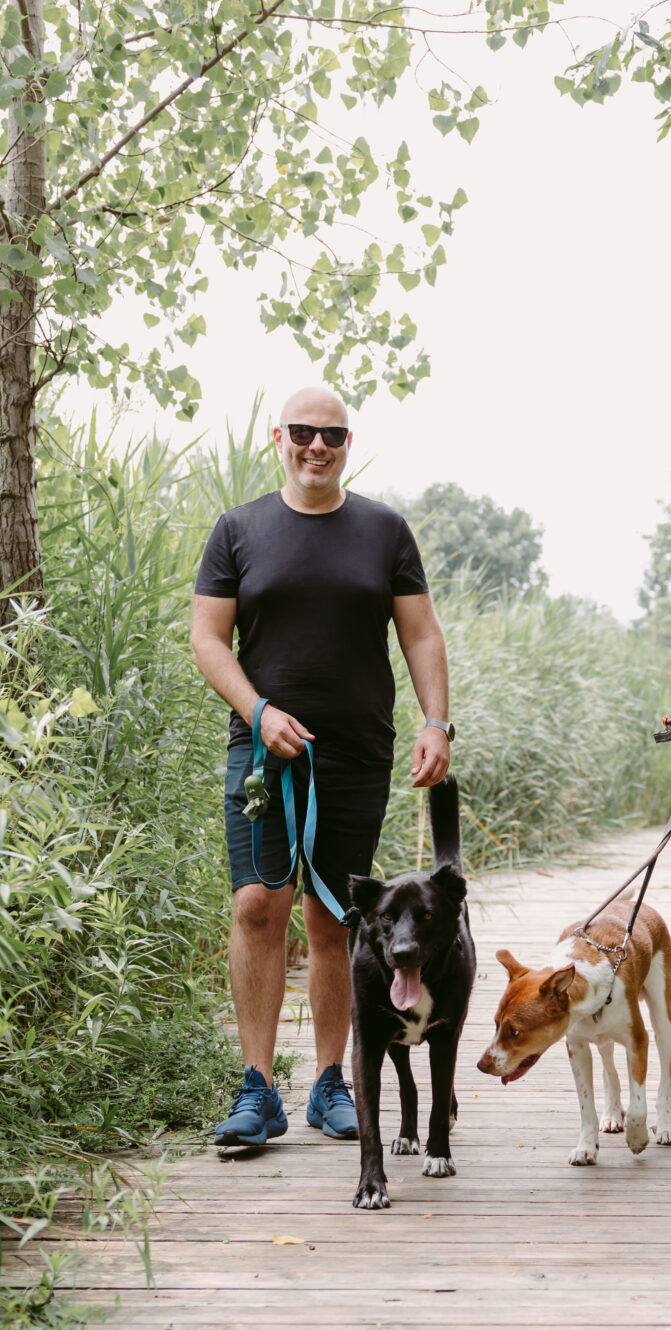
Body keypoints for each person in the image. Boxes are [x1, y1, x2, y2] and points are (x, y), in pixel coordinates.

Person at [191, 387, 453, 1145]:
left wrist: (435, 721)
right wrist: (258, 710)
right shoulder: (239, 529)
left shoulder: (383, 530)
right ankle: (258, 1088)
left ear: (347, 440)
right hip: (263, 748)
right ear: (279, 436)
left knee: (336, 917)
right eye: (302, 432)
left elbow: (422, 635)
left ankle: (332, 1082)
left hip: (357, 750)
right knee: (256, 906)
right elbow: (209, 638)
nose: (316, 445)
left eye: (330, 434)